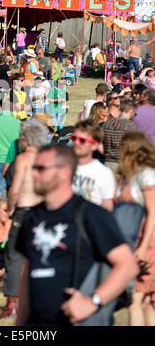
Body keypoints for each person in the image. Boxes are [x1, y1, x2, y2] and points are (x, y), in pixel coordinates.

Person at [15, 144, 138, 327]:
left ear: (65, 172)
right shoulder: (31, 218)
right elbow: (27, 275)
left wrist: (92, 302)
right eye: (33, 168)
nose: (33, 174)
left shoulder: (90, 215)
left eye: (41, 169)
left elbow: (127, 265)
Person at [0, 119, 49, 318]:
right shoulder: (48, 158)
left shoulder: (23, 159)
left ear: (27, 138)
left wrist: (10, 206)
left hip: (25, 210)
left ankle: (12, 302)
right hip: (43, 211)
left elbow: (15, 189)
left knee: (15, 255)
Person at [115, 131, 155, 326]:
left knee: (135, 300)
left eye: (122, 147)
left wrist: (144, 247)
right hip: (131, 240)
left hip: (146, 243)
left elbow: (153, 214)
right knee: (145, 302)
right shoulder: (127, 175)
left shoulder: (146, 175)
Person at [70, 119, 115, 211]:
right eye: (74, 138)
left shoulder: (104, 173)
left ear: (94, 145)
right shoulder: (62, 166)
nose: (76, 143)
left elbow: (107, 208)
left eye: (82, 140)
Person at [102, 98, 137, 175]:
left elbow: (102, 144)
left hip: (107, 162)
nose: (135, 116)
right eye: (135, 113)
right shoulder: (130, 125)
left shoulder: (107, 124)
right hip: (123, 163)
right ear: (131, 111)